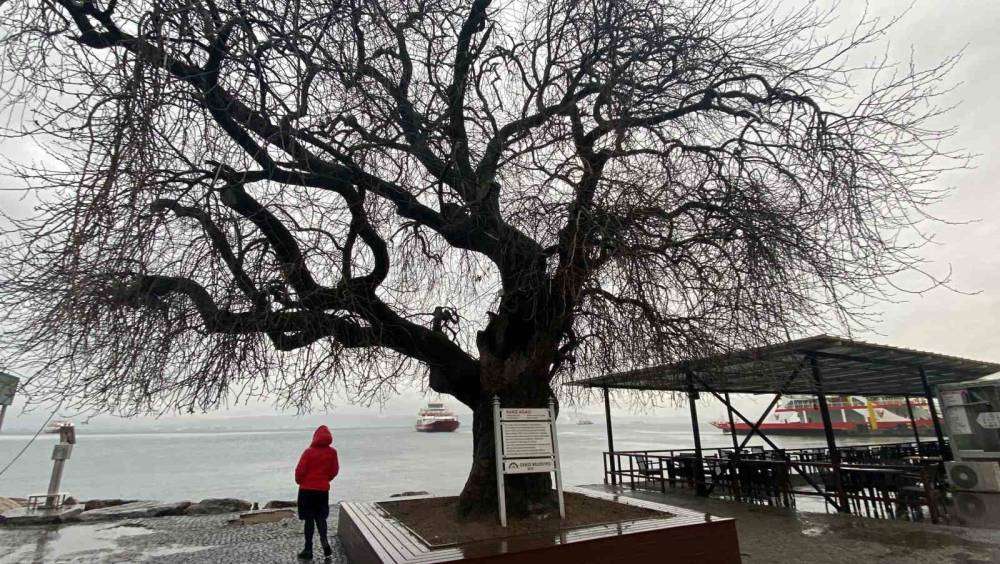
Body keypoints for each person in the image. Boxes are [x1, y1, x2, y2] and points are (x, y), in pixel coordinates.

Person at [295, 425, 339, 560]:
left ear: (315, 437)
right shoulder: (332, 453)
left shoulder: (308, 452)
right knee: (321, 518)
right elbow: (334, 470)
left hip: (306, 491)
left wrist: (299, 481)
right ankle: (325, 543)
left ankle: (308, 549)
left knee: (309, 520)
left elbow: (300, 471)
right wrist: (326, 479)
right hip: (322, 491)